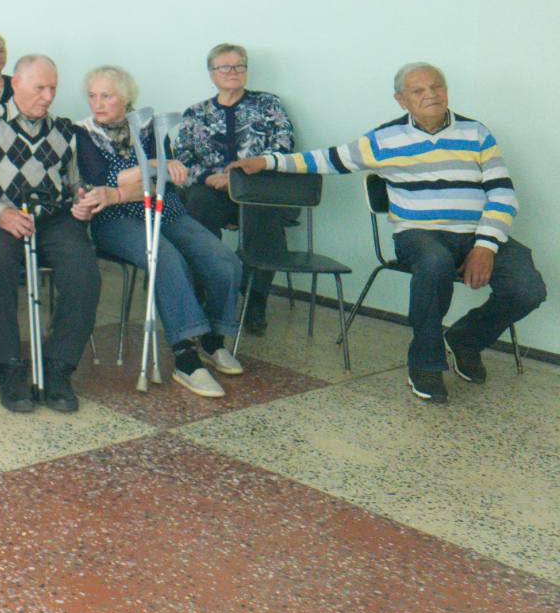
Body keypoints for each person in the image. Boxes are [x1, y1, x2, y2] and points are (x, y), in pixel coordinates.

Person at [231, 62, 547, 404]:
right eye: (418, 90)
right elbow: (329, 159)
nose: (430, 95)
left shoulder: (477, 134)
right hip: (419, 235)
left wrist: (485, 246)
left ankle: (466, 339)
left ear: (446, 90)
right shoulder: (385, 139)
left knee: (527, 288)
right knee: (434, 263)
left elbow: (503, 194)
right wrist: (268, 161)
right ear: (401, 100)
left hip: (478, 234)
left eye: (436, 87)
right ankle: (425, 363)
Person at [75, 65, 243, 399]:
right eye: (92, 96)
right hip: (113, 219)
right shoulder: (83, 132)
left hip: (165, 208)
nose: (97, 104)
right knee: (166, 259)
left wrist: (144, 176)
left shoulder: (150, 126)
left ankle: (212, 340)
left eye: (106, 96)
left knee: (224, 260)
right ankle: (185, 356)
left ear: (126, 98)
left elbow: (166, 178)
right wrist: (151, 166)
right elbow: (103, 182)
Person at [0, 55, 101, 413]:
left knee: (84, 271)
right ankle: (7, 366)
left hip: (53, 218)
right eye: (40, 88)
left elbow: (76, 183)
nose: (48, 96)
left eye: (53, 88)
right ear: (16, 83)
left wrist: (83, 201)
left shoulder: (65, 129)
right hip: (0, 216)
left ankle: (59, 367)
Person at [173, 43, 296, 335]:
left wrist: (240, 178)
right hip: (210, 190)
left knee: (264, 215)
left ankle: (255, 299)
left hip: (256, 188)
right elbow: (182, 159)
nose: (233, 72)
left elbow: (284, 147)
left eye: (239, 66)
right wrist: (208, 178)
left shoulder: (268, 104)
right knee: (196, 207)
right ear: (211, 73)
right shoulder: (195, 113)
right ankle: (203, 291)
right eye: (225, 67)